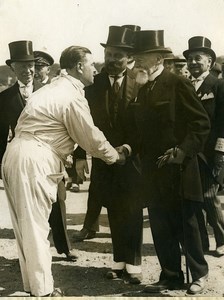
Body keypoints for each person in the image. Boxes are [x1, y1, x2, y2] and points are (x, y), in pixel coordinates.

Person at [1, 45, 125, 297]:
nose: (96, 69)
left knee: (26, 227)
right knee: (36, 227)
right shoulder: (70, 95)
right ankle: (44, 291)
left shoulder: (51, 89)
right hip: (35, 156)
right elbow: (90, 137)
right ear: (79, 67)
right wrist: (115, 156)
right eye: (92, 65)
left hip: (17, 154)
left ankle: (34, 286)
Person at [129, 30, 210, 295]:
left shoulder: (177, 83)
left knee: (187, 225)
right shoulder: (143, 88)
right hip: (153, 170)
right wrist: (128, 149)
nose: (137, 62)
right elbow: (142, 132)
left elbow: (200, 124)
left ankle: (198, 274)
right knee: (160, 224)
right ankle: (171, 275)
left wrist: (183, 151)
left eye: (141, 57)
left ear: (157, 58)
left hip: (180, 168)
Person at [74, 26, 143, 284]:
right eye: (110, 54)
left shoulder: (140, 82)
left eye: (119, 55)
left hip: (133, 159)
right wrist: (81, 156)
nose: (113, 60)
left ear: (129, 58)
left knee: (133, 210)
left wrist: (127, 148)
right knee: (113, 208)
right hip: (104, 160)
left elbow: (145, 125)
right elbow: (81, 122)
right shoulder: (93, 84)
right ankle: (118, 261)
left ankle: (134, 265)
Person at [34, 49, 78, 261]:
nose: (35, 70)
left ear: (48, 69)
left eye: (40, 66)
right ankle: (34, 253)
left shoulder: (57, 88)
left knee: (58, 200)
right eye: (32, 66)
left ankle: (65, 247)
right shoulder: (15, 93)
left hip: (55, 155)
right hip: (30, 156)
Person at [183, 36, 224, 257]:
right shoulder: (186, 85)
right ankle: (201, 242)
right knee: (194, 199)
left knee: (209, 197)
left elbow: (223, 122)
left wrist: (220, 152)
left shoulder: (218, 86)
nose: (193, 63)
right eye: (190, 59)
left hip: (210, 152)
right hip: (190, 152)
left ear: (209, 62)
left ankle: (222, 238)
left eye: (198, 59)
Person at [0, 41, 42, 175]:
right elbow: (1, 134)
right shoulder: (5, 98)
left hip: (45, 156)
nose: (28, 70)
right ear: (13, 68)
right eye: (22, 66)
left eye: (30, 65)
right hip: (19, 158)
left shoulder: (47, 91)